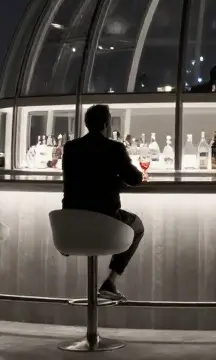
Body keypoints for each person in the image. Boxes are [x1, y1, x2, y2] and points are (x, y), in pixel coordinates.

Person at [61, 104, 145, 301]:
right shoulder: (114, 148)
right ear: (107, 124)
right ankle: (110, 281)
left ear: (86, 124)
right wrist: (117, 175)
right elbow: (135, 179)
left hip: (70, 225)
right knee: (137, 226)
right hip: (105, 223)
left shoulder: (70, 147)